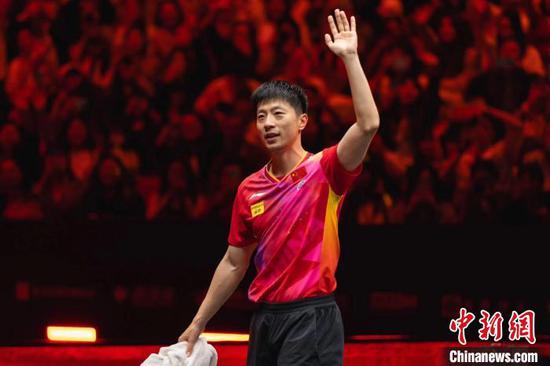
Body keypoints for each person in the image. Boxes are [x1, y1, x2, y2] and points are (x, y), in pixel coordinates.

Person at [178, 9, 379, 365]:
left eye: (278, 114)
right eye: (261, 116)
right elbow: (233, 263)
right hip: (266, 320)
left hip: (312, 317)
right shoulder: (249, 189)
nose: (268, 123)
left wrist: (350, 57)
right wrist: (198, 322)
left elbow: (368, 124)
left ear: (302, 121)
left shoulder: (327, 169)